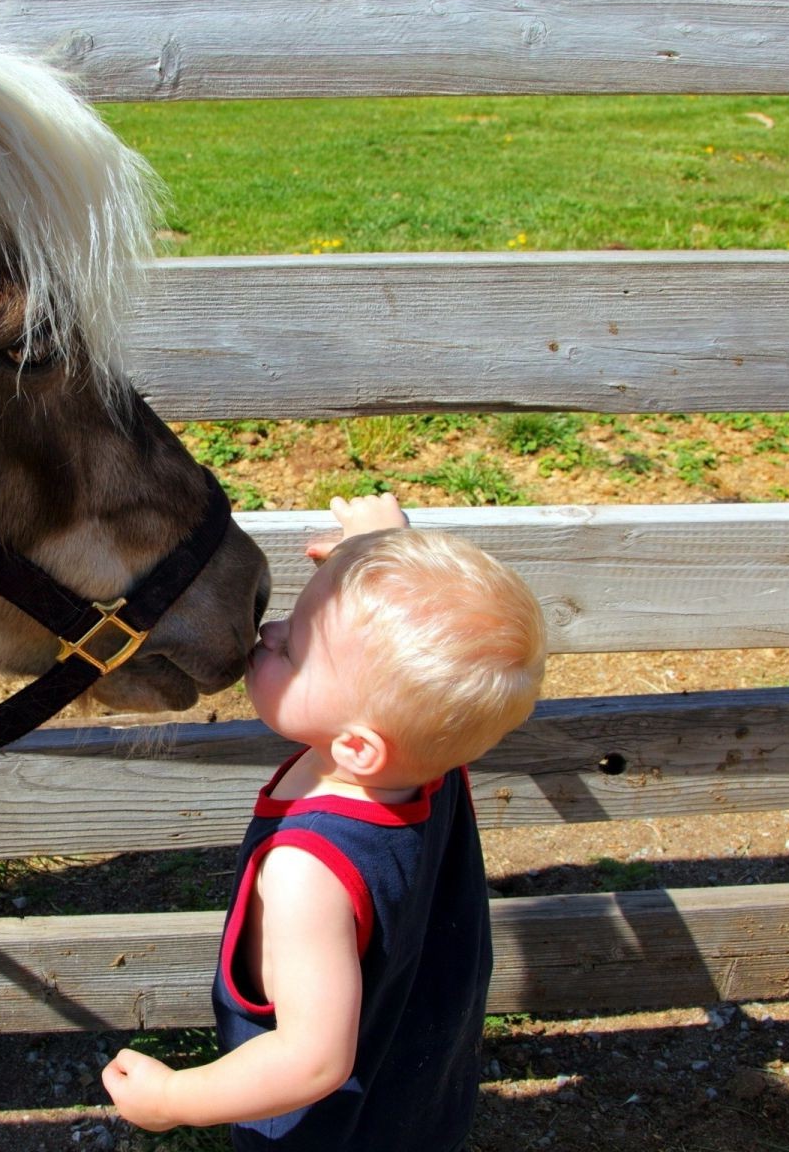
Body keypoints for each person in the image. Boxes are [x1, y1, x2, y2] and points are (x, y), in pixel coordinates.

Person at [102, 492, 547, 1150]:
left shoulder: (307, 873)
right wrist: (372, 550)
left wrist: (174, 1098)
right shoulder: (426, 754)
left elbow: (313, 1060)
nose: (270, 632)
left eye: (295, 649)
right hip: (418, 1081)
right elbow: (405, 664)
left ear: (358, 747)